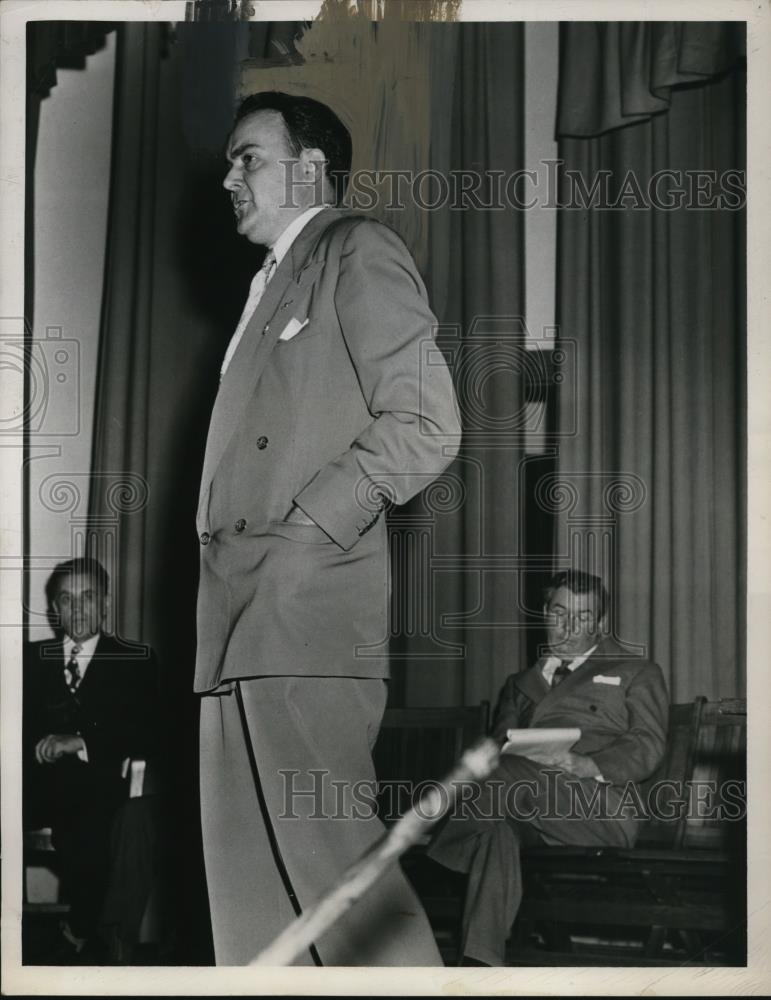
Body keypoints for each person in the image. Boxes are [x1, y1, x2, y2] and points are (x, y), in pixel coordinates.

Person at [194, 91, 461, 966]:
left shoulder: (355, 248)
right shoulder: (269, 281)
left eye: (248, 157)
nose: (228, 176)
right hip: (234, 621)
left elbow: (426, 423)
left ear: (308, 167)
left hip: (300, 612)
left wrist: (306, 535)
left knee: (341, 884)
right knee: (256, 907)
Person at [427, 569, 670, 966]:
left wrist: (588, 763)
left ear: (602, 623)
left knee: (498, 778)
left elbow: (648, 743)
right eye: (560, 612)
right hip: (523, 806)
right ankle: (478, 965)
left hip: (597, 805)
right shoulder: (520, 683)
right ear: (545, 614)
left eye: (584, 616)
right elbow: (500, 746)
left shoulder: (636, 671)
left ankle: (431, 851)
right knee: (495, 833)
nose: (569, 626)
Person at [23, 557, 161, 962]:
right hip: (32, 788)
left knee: (93, 811)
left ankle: (82, 930)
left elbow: (148, 734)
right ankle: (80, 928)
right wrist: (37, 743)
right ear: (54, 609)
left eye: (87, 597)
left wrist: (79, 742)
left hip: (98, 793)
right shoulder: (30, 659)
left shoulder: (136, 660)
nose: (78, 609)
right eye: (66, 599)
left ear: (105, 604)